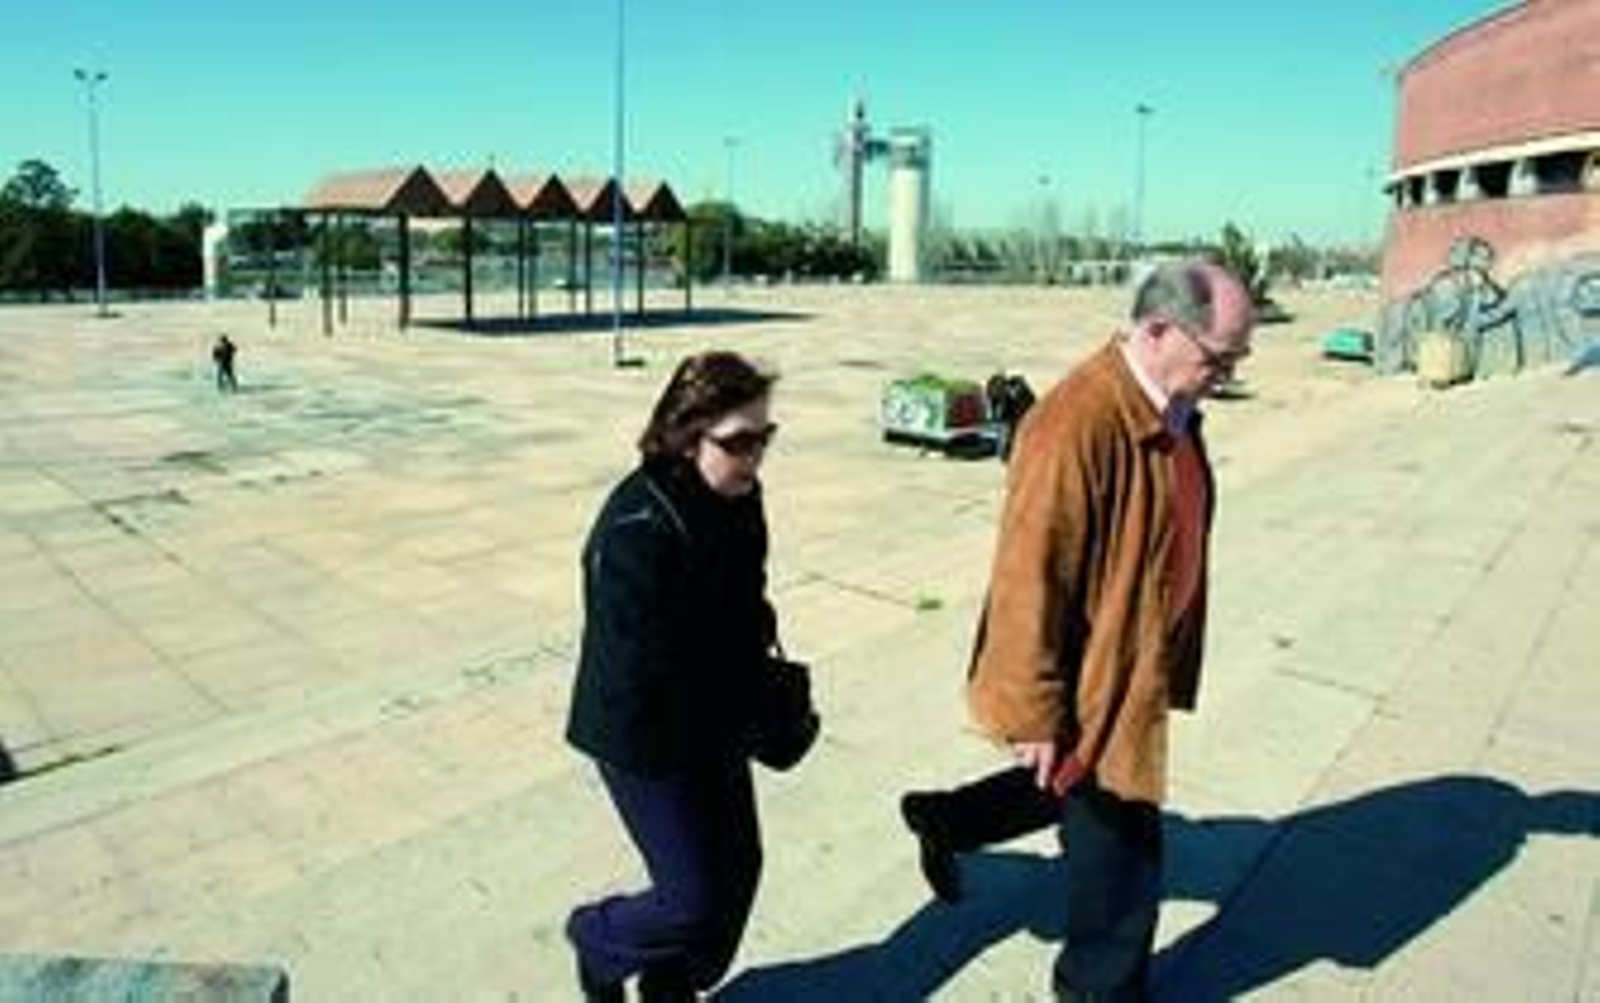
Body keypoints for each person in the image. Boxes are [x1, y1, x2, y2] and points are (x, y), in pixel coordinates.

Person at [899, 260, 1255, 1002]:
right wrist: (1032, 710)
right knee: (1123, 860)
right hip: (1097, 675)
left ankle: (947, 817)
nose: (1227, 372)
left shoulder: (1169, 401)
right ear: (1158, 330)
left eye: (1236, 358)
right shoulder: (1076, 423)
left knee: (1069, 785)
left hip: (1134, 655)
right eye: (1219, 357)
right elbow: (1028, 576)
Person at [565, 350, 784, 1003]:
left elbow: (750, 595)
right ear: (688, 437)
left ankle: (670, 981)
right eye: (739, 441)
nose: (755, 457)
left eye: (764, 437)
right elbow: (644, 666)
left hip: (715, 715)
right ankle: (598, 938)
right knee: (691, 897)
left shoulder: (742, 497)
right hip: (643, 732)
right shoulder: (638, 527)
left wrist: (763, 676)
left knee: (739, 870)